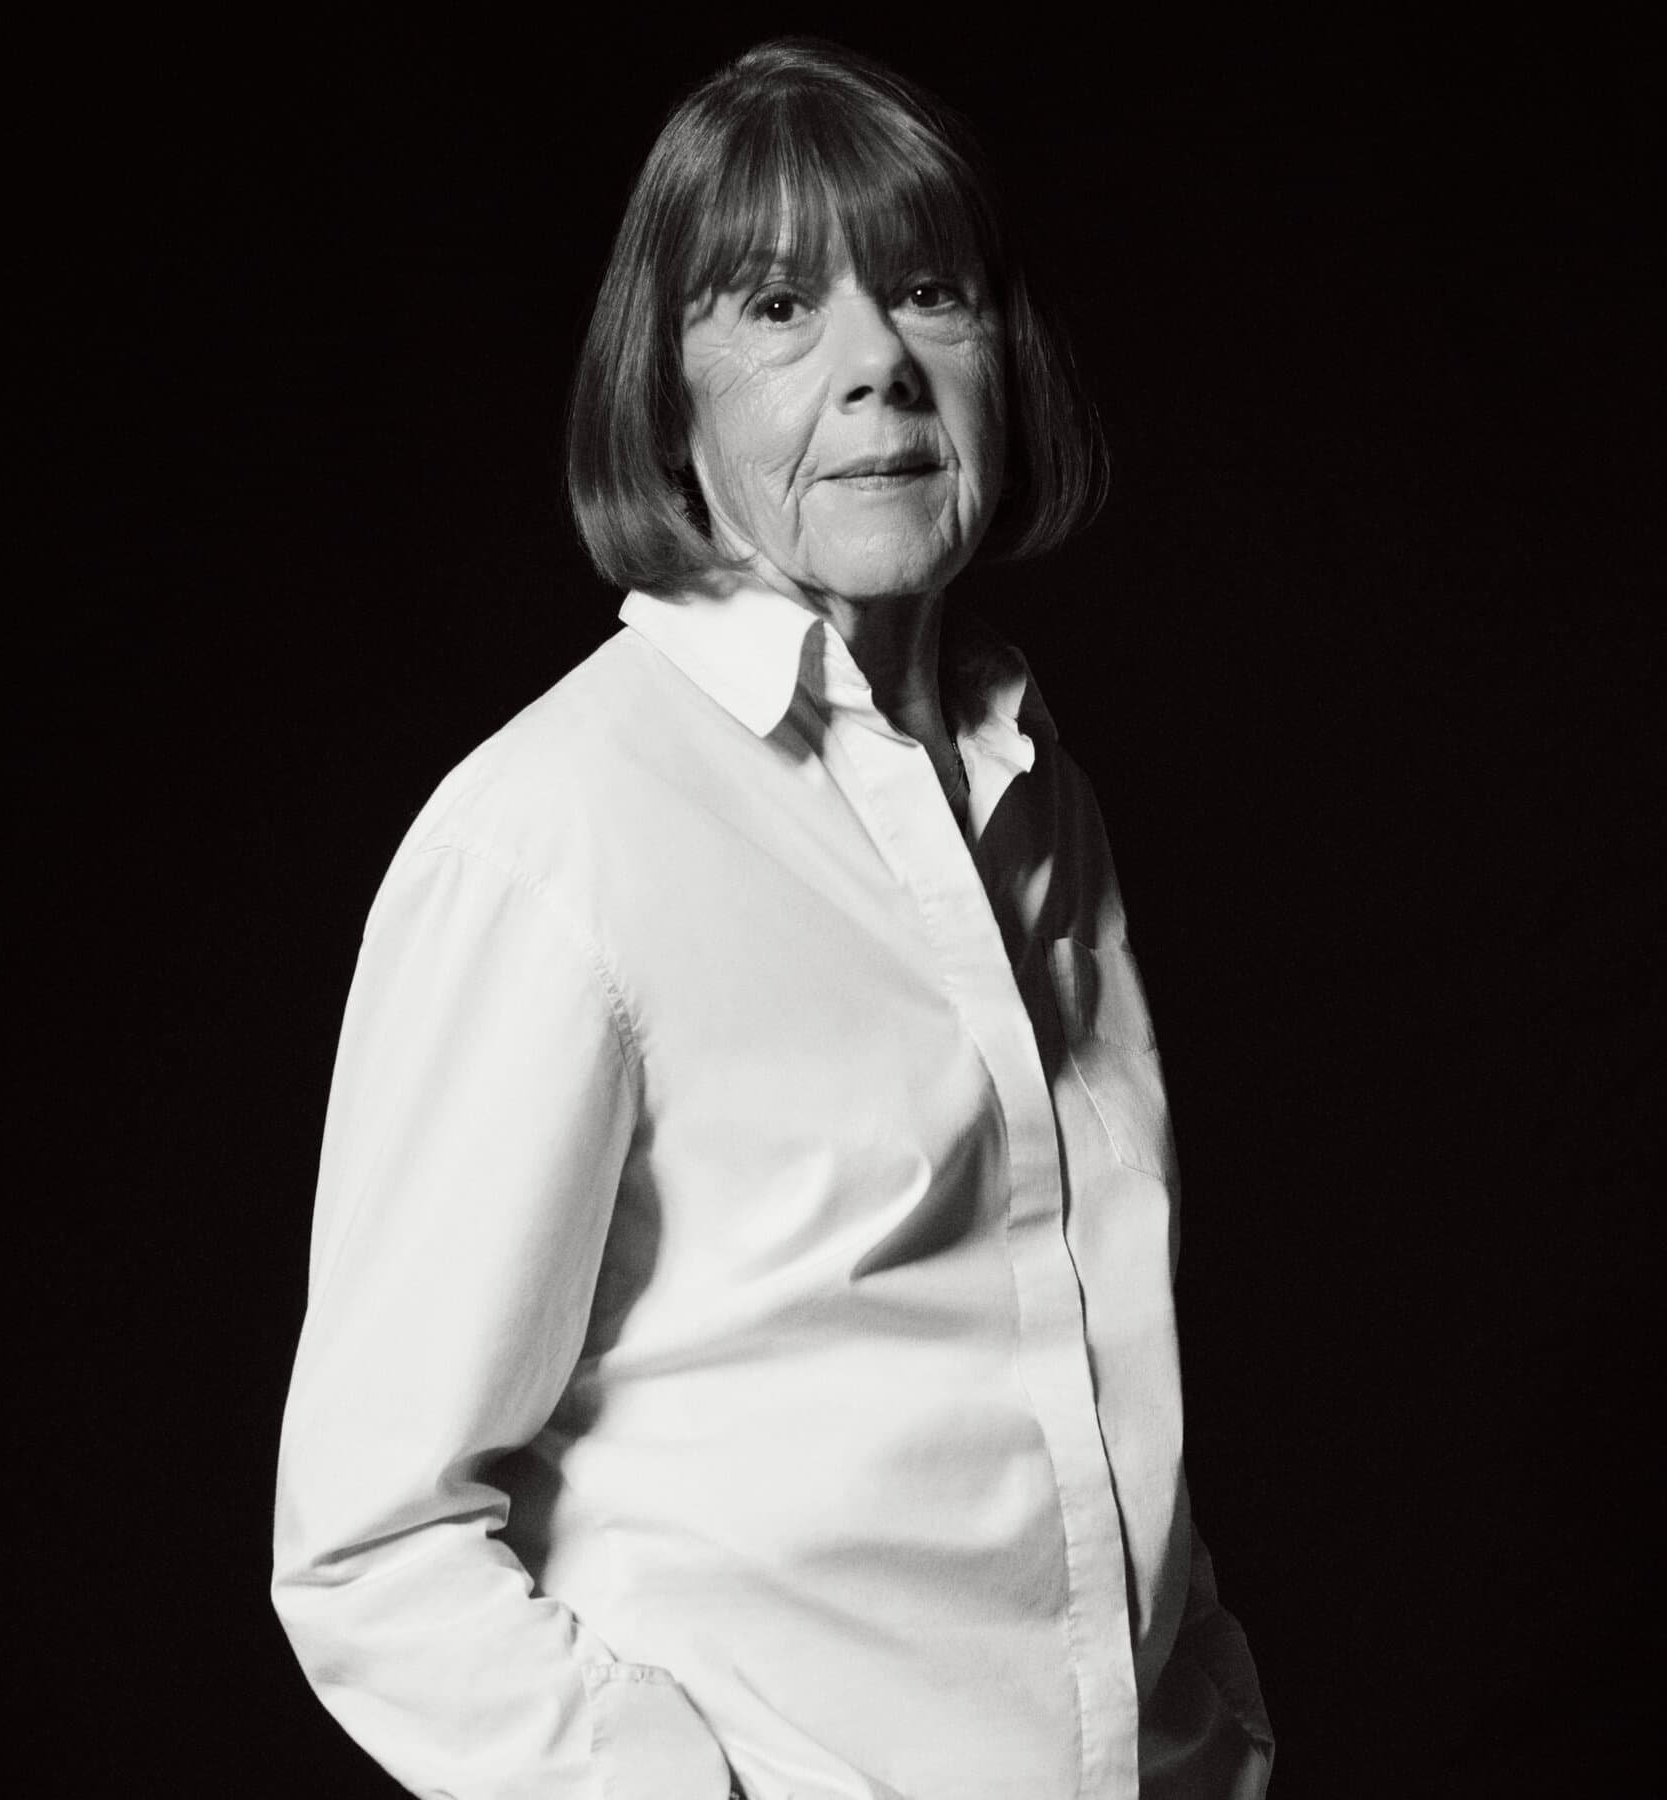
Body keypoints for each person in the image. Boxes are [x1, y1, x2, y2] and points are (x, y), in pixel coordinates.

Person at [272, 37, 1273, 1800]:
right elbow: (370, 1552)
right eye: (776, 307)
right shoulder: (555, 834)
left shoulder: (1035, 795)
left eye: (929, 295)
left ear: (1001, 362)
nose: (879, 366)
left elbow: (1082, 1383)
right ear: (667, 398)